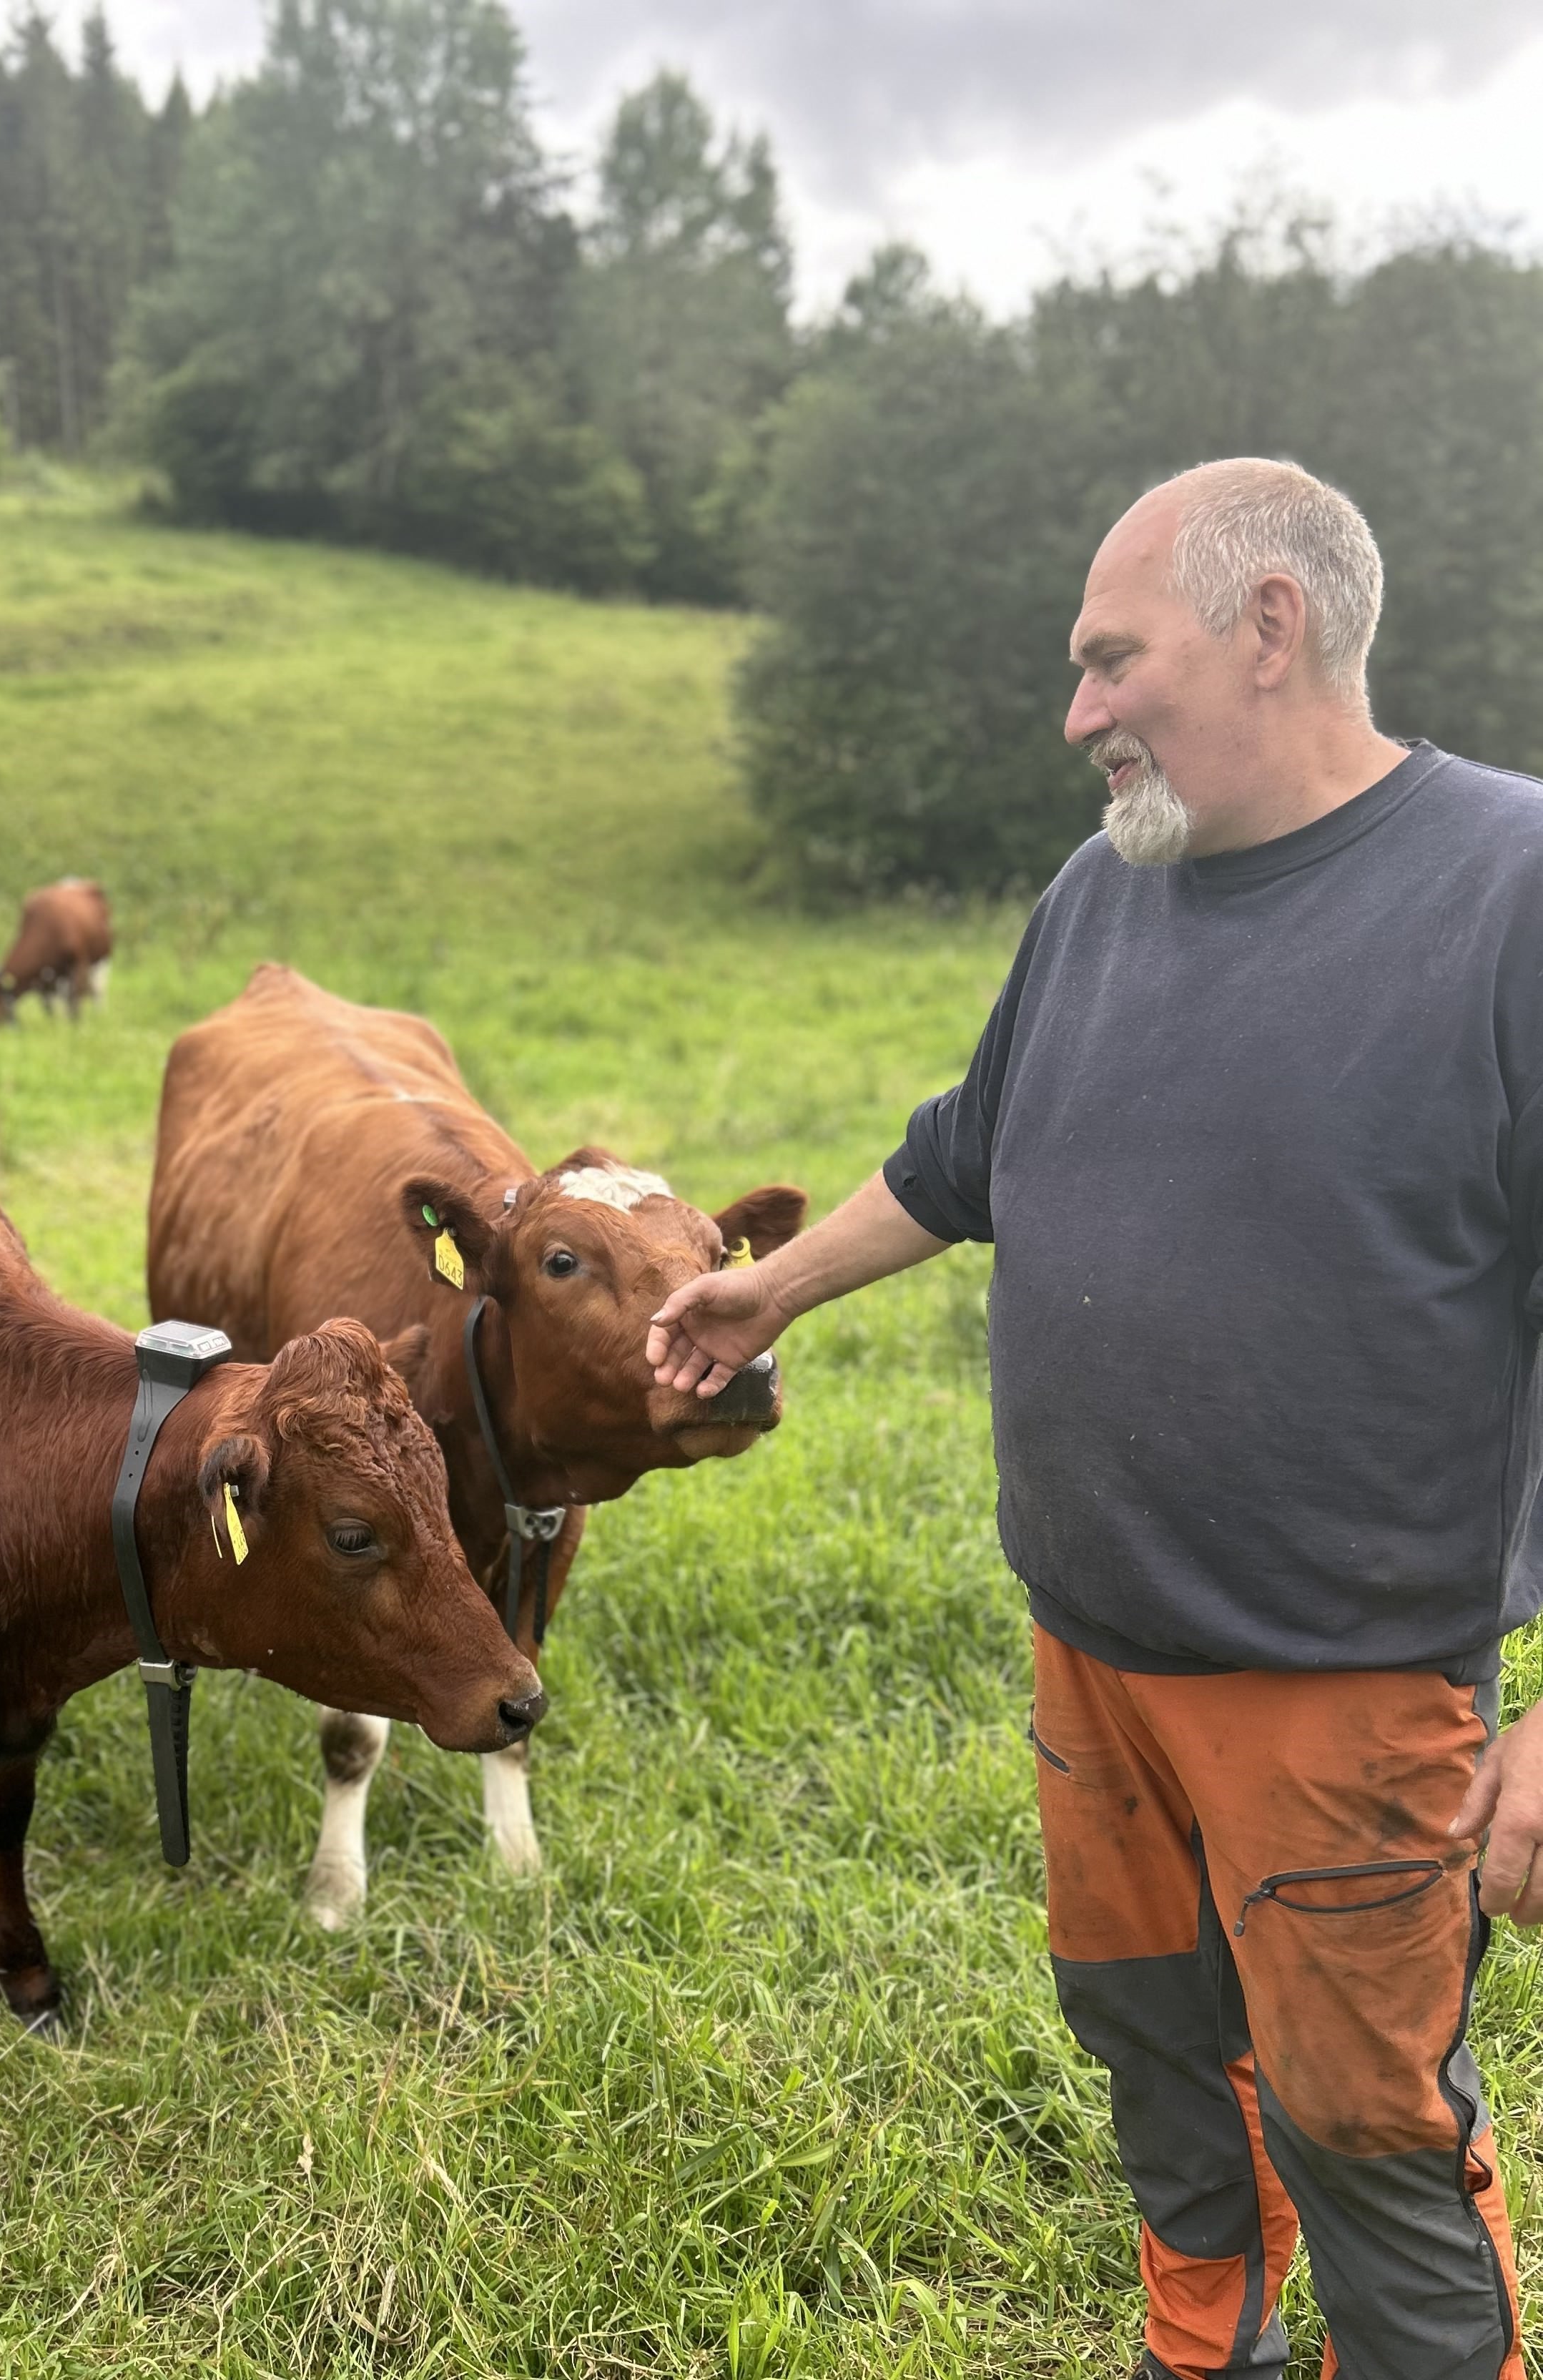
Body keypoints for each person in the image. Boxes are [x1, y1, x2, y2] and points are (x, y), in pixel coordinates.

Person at [649, 458, 1542, 2380]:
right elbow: (971, 1150)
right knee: (1148, 2034)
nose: (1078, 714)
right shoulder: (1103, 889)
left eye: (1111, 659)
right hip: (1095, 1645)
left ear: (1271, 627)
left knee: (1366, 2118)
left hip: (1344, 1681)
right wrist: (774, 1288)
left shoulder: (1511, 888)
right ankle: (1205, 2340)